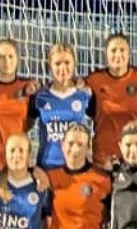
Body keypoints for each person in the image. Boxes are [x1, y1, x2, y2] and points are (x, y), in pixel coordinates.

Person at [85, 34, 137, 166]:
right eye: (113, 50)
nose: (118, 54)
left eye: (122, 50)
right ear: (105, 53)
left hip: (136, 157)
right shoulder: (94, 81)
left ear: (129, 53)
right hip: (104, 159)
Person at [31, 43, 93, 171]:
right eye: (57, 63)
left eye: (67, 62)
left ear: (74, 63)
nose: (63, 68)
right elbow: (26, 125)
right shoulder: (40, 96)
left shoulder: (84, 95)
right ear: (50, 66)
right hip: (47, 167)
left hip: (74, 167)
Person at [0, 38, 36, 173]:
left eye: (11, 56)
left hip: (17, 162)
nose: (7, 61)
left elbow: (30, 121)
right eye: (2, 57)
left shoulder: (28, 88)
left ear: (17, 60)